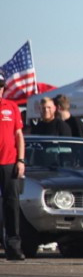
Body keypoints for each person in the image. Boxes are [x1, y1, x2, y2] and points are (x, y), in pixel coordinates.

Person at [0, 73, 26, 261]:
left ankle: (13, 246)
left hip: (9, 162)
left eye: (0, 86)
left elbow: (19, 135)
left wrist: (21, 160)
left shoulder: (12, 107)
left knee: (12, 204)